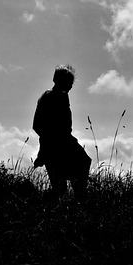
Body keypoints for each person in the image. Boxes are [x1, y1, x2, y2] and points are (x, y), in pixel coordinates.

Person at [33, 65, 91, 199]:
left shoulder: (46, 97)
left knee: (60, 188)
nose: (70, 87)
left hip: (50, 146)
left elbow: (37, 126)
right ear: (59, 81)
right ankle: (80, 200)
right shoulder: (59, 97)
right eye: (69, 83)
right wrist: (60, 139)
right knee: (82, 165)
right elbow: (59, 126)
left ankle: (45, 208)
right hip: (59, 145)